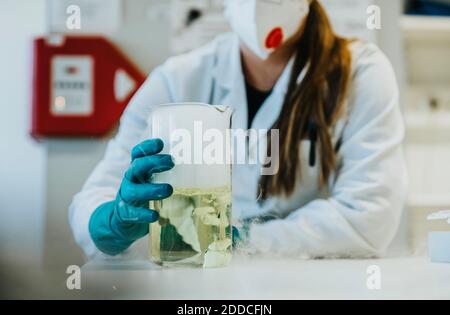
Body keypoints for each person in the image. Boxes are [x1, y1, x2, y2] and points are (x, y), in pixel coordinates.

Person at [69, 0, 408, 259]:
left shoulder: (361, 73)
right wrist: (114, 222)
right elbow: (91, 202)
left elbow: (368, 217)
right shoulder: (179, 81)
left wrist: (241, 240)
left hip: (312, 286)